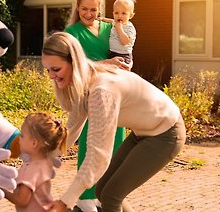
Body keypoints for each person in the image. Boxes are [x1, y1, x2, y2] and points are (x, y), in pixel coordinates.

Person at [42, 32, 186, 212]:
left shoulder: (102, 91)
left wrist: (65, 201)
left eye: (56, 69)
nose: (50, 76)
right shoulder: (86, 82)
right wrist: (44, 159)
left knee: (111, 196)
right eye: (47, 70)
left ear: (74, 62)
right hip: (143, 133)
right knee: (102, 191)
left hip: (166, 134)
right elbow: (71, 129)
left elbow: (97, 156)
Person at [64, 0, 128, 212]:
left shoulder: (110, 28)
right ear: (77, 7)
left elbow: (125, 47)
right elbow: (74, 65)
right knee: (92, 143)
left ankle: (106, 192)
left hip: (115, 92)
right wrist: (107, 62)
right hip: (91, 94)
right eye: (84, 9)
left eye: (93, 9)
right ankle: (85, 196)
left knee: (116, 143)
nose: (89, 14)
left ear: (99, 8)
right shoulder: (72, 32)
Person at [2, 113, 68, 212]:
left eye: (22, 135)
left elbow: (22, 200)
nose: (19, 138)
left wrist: (2, 191)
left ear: (34, 143)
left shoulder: (31, 170)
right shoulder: (46, 162)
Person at [99, 0, 137, 65]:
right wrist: (103, 19)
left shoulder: (129, 27)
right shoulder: (115, 22)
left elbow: (125, 41)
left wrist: (119, 29)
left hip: (123, 55)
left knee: (121, 73)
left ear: (130, 16)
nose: (119, 16)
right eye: (116, 13)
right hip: (112, 53)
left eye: (123, 13)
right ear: (113, 13)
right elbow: (111, 21)